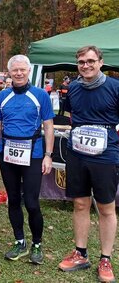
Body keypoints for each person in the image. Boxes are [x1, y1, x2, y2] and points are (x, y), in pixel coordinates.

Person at [58, 46, 119, 283]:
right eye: (82, 62)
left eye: (91, 61)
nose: (86, 65)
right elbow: (73, 116)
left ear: (101, 62)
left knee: (106, 208)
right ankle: (80, 253)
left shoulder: (114, 87)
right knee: (80, 204)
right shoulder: (73, 88)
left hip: (105, 156)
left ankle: (106, 258)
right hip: (78, 154)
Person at [0, 54, 54, 265]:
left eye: (22, 70)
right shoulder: (2, 96)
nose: (18, 73)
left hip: (33, 154)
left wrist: (48, 155)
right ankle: (20, 241)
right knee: (13, 199)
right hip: (8, 154)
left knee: (32, 202)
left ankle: (36, 244)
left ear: (28, 71)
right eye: (15, 70)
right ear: (9, 72)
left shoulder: (40, 95)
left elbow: (49, 126)